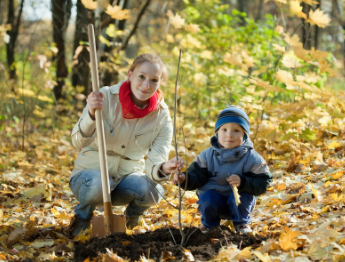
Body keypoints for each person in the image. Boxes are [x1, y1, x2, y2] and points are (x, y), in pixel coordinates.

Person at [69, 53, 183, 237]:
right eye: (141, 77)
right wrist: (90, 114)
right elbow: (78, 142)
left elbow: (155, 165)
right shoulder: (104, 96)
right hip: (90, 180)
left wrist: (164, 167)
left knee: (154, 191)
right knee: (100, 182)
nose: (146, 85)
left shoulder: (162, 117)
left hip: (125, 180)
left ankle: (131, 218)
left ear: (160, 83)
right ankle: (82, 218)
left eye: (154, 80)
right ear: (130, 75)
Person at [173, 106, 272, 234]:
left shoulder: (252, 158)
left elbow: (263, 182)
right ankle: (210, 226)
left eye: (236, 130)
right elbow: (196, 175)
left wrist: (243, 182)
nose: (229, 135)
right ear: (217, 133)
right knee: (207, 198)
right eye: (224, 129)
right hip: (214, 200)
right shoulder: (207, 156)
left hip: (238, 203)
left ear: (245, 134)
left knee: (242, 195)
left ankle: (241, 224)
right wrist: (184, 178)